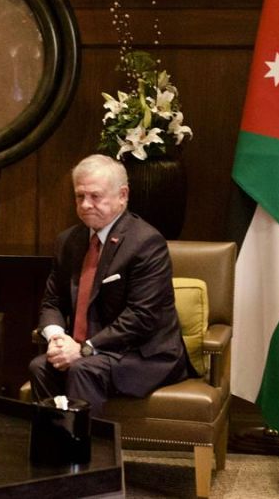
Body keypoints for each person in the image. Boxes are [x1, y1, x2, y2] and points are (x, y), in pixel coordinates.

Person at [29, 154, 192, 416]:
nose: (85, 204)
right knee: (42, 366)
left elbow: (141, 317)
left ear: (123, 195)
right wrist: (57, 338)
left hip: (141, 354)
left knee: (84, 370)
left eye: (95, 196)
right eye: (79, 196)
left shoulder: (146, 243)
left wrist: (84, 349)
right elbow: (53, 302)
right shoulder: (68, 241)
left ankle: (87, 455)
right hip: (92, 351)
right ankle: (53, 450)